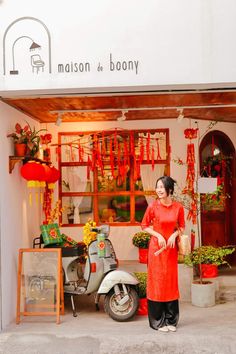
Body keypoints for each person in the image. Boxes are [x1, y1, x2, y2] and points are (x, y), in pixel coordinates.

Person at [141, 176, 185, 333]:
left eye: (161, 187)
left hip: (171, 250)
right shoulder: (153, 206)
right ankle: (158, 321)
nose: (158, 190)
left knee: (170, 282)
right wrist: (158, 235)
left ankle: (171, 319)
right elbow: (144, 225)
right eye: (157, 186)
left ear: (169, 190)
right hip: (156, 250)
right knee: (157, 282)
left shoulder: (178, 207)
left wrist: (174, 235)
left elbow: (182, 226)